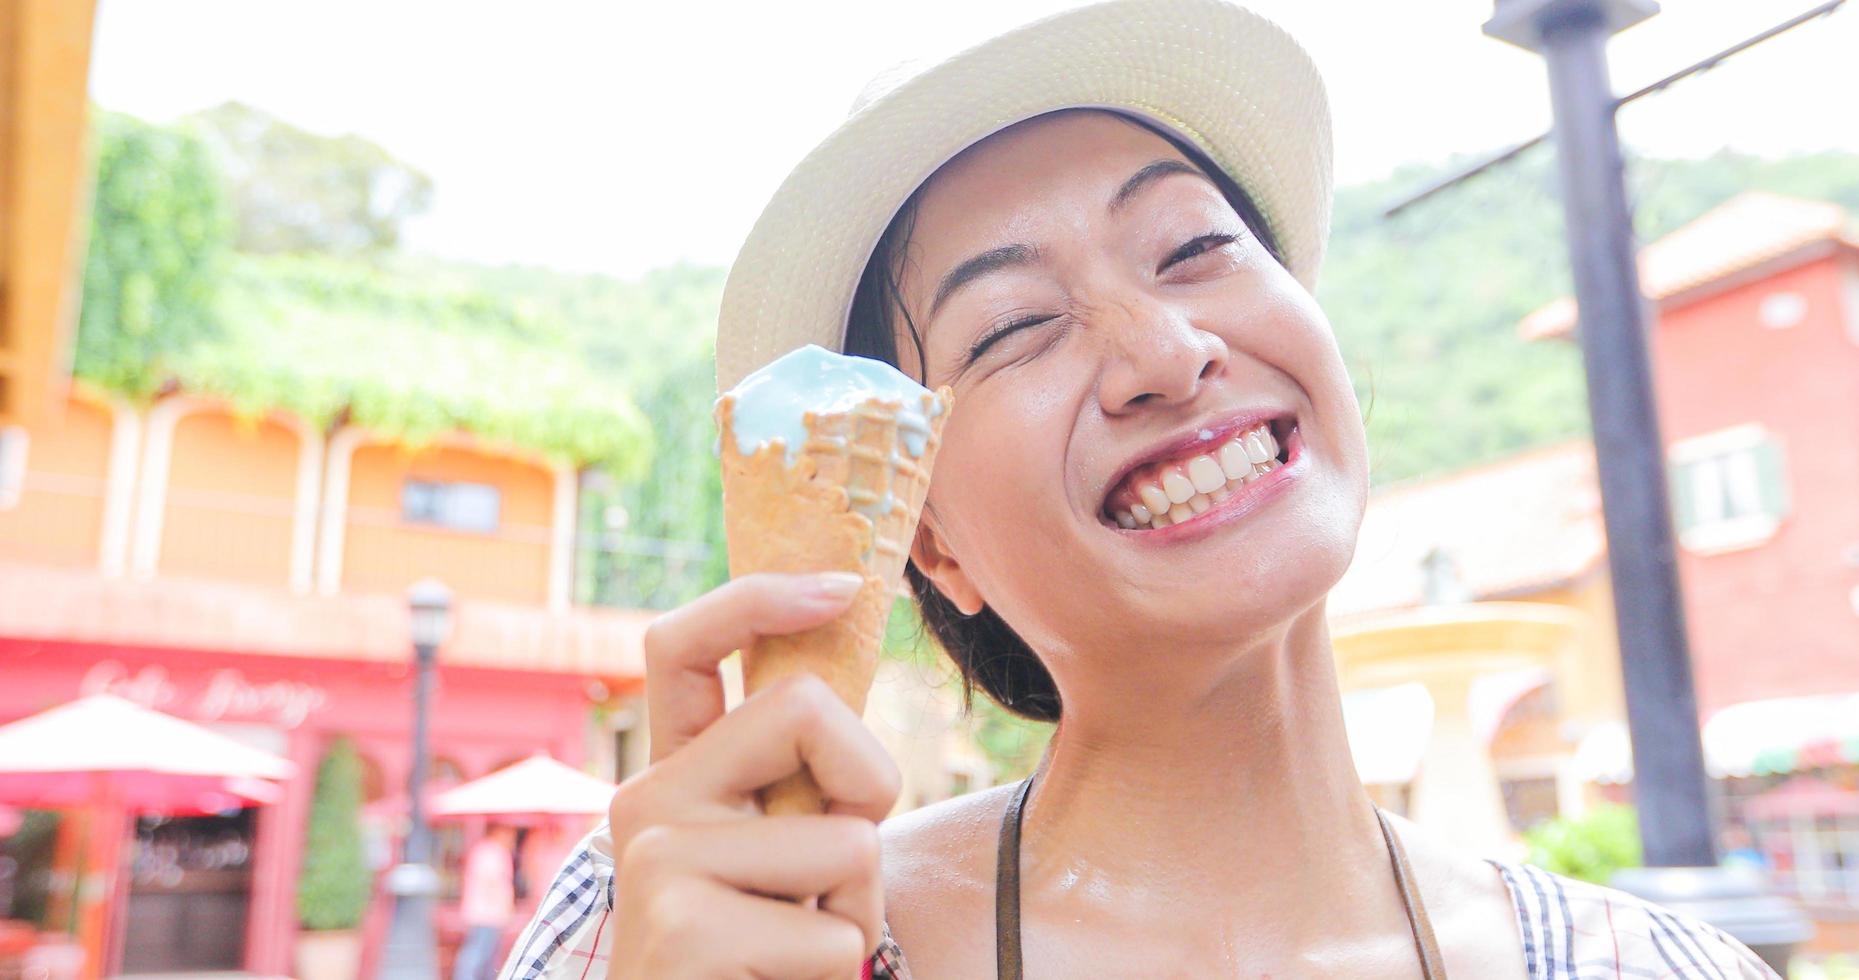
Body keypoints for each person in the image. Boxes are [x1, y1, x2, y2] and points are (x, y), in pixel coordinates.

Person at [503, 1, 1778, 977]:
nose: (1165, 354)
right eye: (1011, 326)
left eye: (1195, 246)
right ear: (925, 533)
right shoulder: (693, 922)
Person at [455, 823, 517, 980]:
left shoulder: (484, 851)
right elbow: (494, 882)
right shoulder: (493, 853)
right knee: (479, 953)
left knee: (486, 955)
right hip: (488, 913)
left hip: (484, 912)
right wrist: (505, 906)